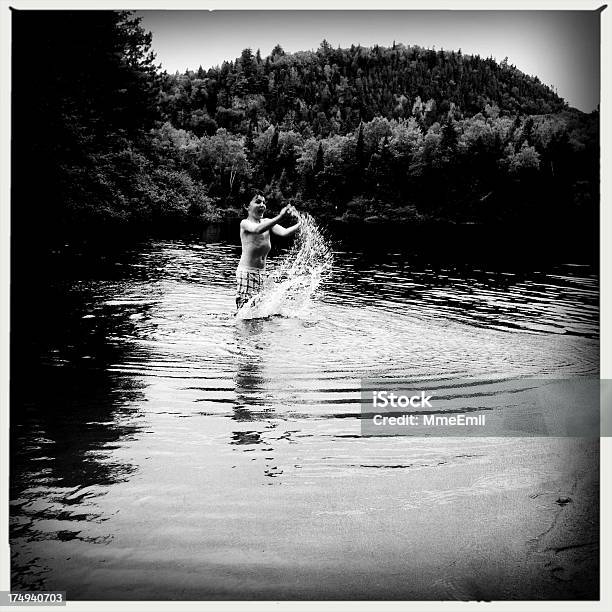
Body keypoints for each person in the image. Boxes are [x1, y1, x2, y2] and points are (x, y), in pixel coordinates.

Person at [235, 193, 301, 310]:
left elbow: (284, 232)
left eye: (264, 203)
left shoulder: (267, 222)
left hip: (262, 273)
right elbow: (257, 229)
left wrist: (301, 224)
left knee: (257, 311)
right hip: (247, 273)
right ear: (246, 206)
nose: (262, 205)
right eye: (258, 202)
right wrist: (280, 217)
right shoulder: (245, 223)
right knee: (245, 311)